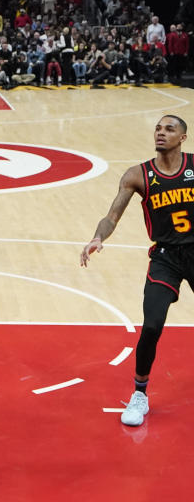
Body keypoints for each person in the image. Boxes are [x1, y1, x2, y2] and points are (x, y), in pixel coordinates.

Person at [80, 115, 193, 427]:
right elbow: (112, 215)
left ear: (182, 137)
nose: (161, 132)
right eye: (158, 128)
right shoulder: (138, 175)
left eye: (169, 129)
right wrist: (98, 237)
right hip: (166, 256)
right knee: (152, 326)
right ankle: (140, 395)